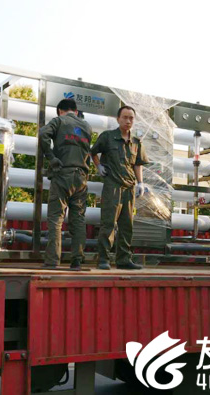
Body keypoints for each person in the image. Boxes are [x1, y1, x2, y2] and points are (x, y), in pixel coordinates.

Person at [91, 105, 149, 270]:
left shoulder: (136, 142)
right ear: (118, 119)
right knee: (108, 223)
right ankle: (103, 259)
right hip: (113, 185)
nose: (128, 121)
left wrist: (140, 183)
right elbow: (93, 152)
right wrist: (98, 166)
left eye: (131, 118)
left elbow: (137, 164)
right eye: (125, 117)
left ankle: (123, 259)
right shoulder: (107, 137)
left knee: (126, 225)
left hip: (129, 188)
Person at [39, 98, 92, 270]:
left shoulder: (59, 120)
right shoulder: (87, 126)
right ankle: (77, 260)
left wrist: (51, 157)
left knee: (56, 218)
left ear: (60, 111)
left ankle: (52, 261)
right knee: (78, 219)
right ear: (76, 111)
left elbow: (43, 134)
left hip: (63, 174)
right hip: (81, 177)